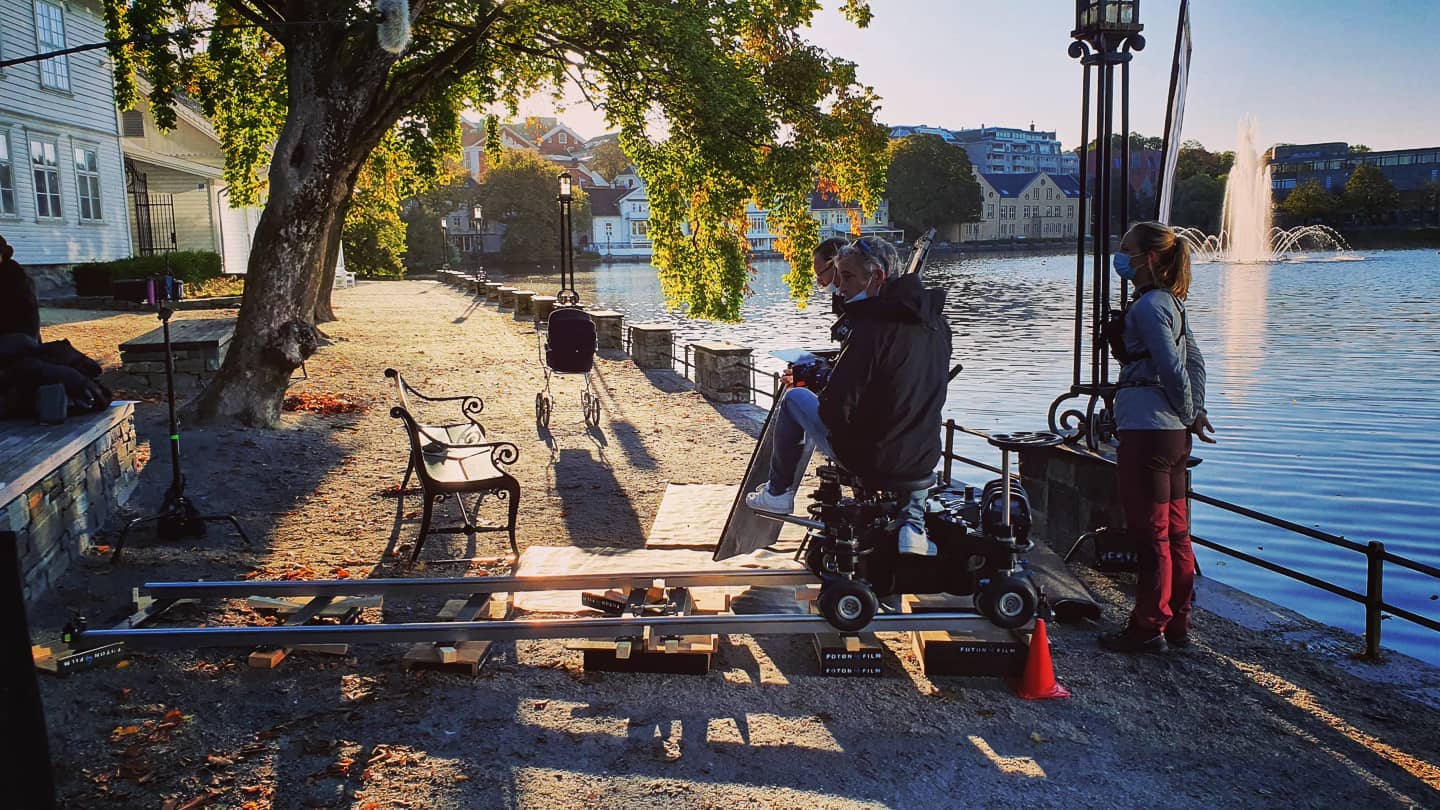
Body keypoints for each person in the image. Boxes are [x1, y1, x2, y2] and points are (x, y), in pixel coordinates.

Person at [746, 235, 952, 556]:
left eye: (847, 277)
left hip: (875, 458)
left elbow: (834, 408)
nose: (839, 287)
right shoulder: (937, 323)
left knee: (794, 399)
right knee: (906, 426)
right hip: (924, 457)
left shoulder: (871, 327)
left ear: (877, 277)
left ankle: (778, 492)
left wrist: (816, 382)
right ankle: (912, 523)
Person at [1100, 221, 1216, 654]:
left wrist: (1187, 412)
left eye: (1126, 248)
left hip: (1146, 431)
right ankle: (1178, 622)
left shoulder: (1148, 307)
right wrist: (1193, 412)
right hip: (1170, 439)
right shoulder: (1174, 303)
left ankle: (1148, 626)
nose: (1120, 254)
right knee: (1177, 532)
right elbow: (1196, 363)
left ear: (1148, 257)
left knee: (1150, 535)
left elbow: (1171, 365)